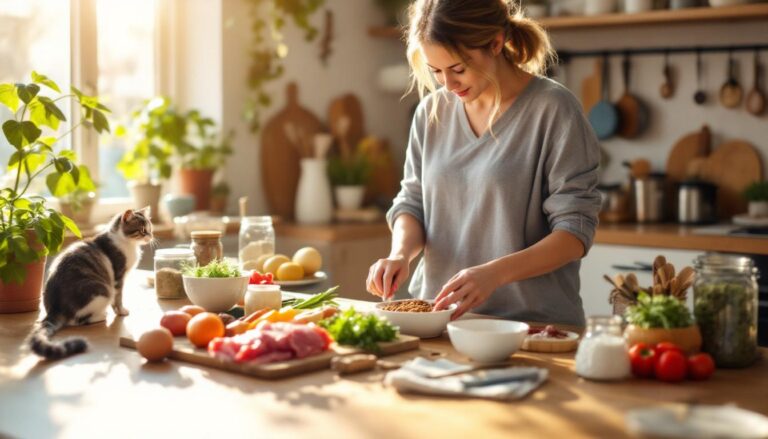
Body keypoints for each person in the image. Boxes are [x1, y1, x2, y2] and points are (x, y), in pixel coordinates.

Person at [365, 0, 602, 326]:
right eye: (436, 71)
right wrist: (400, 254)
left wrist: (494, 274)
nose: (448, 85)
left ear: (495, 42)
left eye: (458, 69)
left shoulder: (554, 110)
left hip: (532, 328)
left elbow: (574, 233)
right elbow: (413, 202)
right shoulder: (430, 113)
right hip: (439, 319)